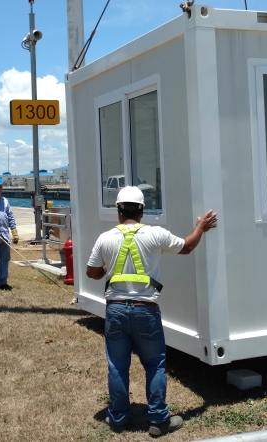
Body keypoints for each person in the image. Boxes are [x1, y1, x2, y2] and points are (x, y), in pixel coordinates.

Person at [86, 186, 217, 437]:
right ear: (142, 211)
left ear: (118, 211)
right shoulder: (156, 234)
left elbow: (92, 273)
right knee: (155, 365)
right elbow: (187, 247)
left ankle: (118, 418)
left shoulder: (106, 238)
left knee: (117, 366)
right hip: (146, 310)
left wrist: (108, 270)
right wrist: (200, 227)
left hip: (115, 310)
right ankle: (159, 420)